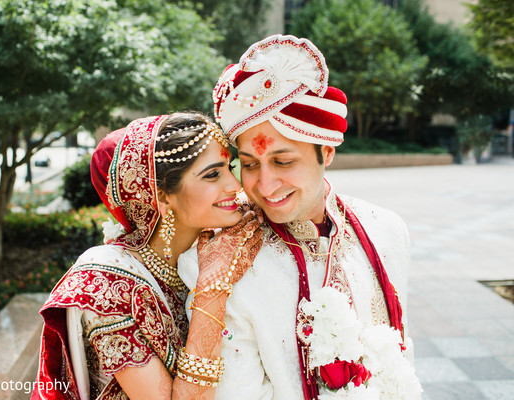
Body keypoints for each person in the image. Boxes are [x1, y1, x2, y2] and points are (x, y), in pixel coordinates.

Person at [179, 35, 422, 399]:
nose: (264, 184)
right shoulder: (221, 262)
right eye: (248, 164)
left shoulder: (386, 229)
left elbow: (402, 357)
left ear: (326, 151)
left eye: (283, 161)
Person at [31, 113, 263, 400]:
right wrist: (212, 288)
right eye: (213, 174)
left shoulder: (221, 248)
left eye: (230, 168)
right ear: (162, 196)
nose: (235, 186)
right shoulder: (106, 281)